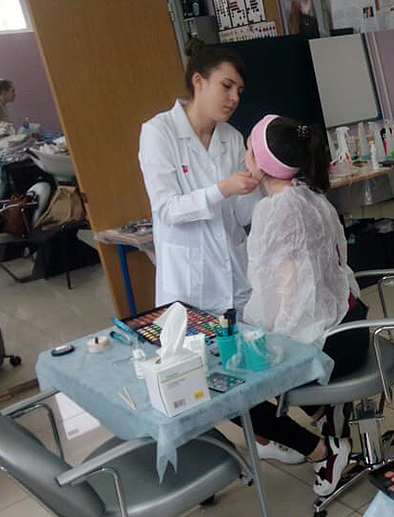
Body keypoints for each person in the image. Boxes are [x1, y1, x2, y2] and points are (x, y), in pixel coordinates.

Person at [230, 114, 368, 497]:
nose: (243, 156)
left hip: (328, 347)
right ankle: (325, 413)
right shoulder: (310, 196)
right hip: (350, 324)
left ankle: (322, 451)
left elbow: (276, 296)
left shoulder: (274, 211)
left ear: (261, 162)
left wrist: (247, 340)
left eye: (248, 150)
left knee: (230, 392)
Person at [138, 44, 262, 316]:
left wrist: (256, 179)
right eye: (226, 86)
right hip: (189, 282)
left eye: (239, 91)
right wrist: (222, 189)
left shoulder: (231, 137)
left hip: (235, 275)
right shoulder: (159, 132)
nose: (234, 98)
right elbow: (167, 209)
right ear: (198, 81)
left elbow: (243, 215)